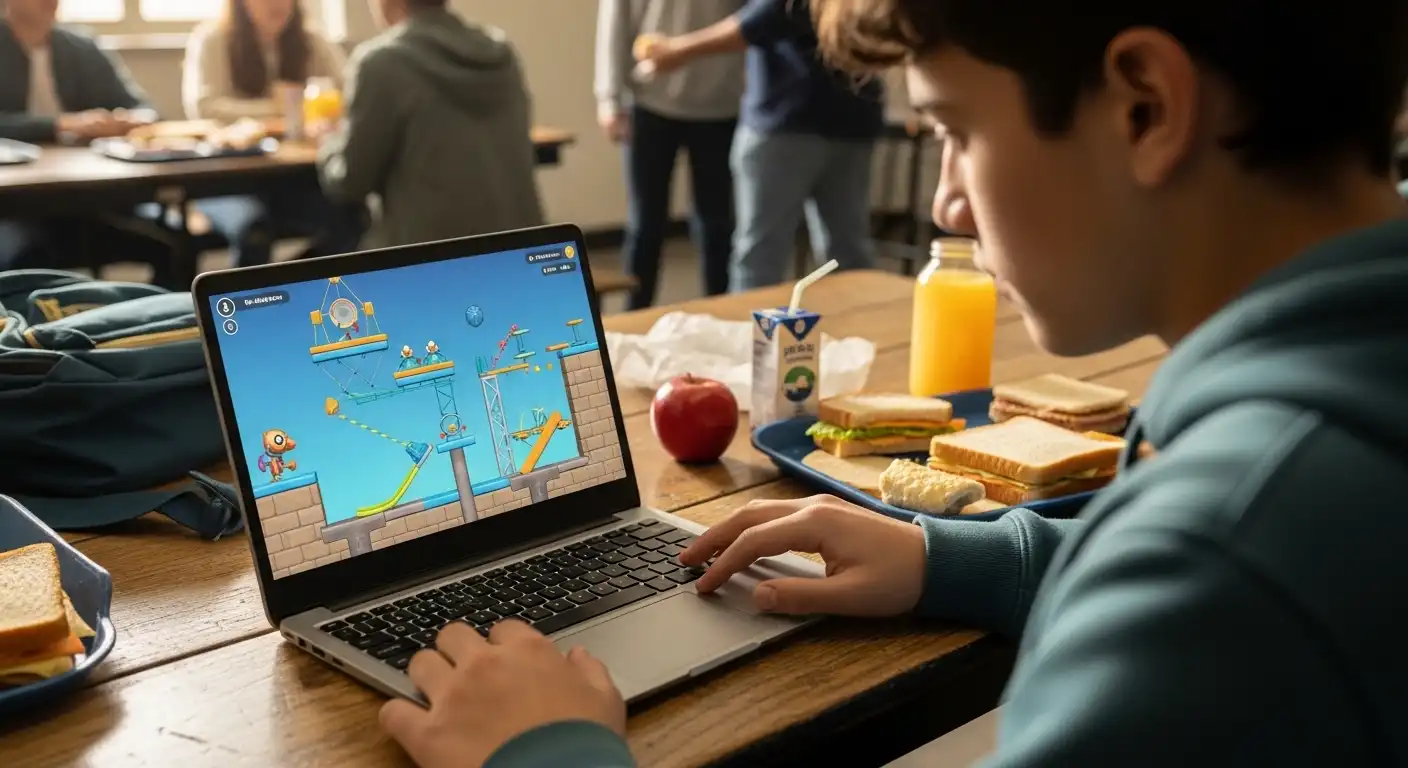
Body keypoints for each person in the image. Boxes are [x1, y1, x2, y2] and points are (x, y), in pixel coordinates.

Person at [375, 0, 1408, 766]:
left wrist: (551, 756)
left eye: (956, 130)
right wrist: (955, 559)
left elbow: (1217, 583)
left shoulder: (1222, 560)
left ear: (1145, 106)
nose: (949, 203)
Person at [634, 0, 883, 292]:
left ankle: (752, 336)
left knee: (762, 258)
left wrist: (678, 50)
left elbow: (768, 16)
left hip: (790, 122)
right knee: (846, 254)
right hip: (847, 119)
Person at [315, 0, 544, 250]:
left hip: (428, 262)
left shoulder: (382, 63)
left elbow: (350, 182)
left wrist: (327, 143)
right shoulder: (501, 54)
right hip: (522, 253)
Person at [182, 0, 365, 267]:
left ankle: (291, 285)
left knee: (353, 217)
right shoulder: (213, 39)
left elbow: (349, 94)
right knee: (253, 230)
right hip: (228, 179)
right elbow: (204, 106)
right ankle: (250, 304)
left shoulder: (311, 40)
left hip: (291, 178)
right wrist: (284, 108)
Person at [0, 0, 176, 276]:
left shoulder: (79, 46)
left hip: (87, 201)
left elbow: (146, 110)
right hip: (15, 209)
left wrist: (124, 121)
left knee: (171, 248)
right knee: (25, 259)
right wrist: (62, 124)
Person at [593, 0, 745, 309]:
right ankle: (634, 317)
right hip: (650, 106)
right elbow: (615, 22)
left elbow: (754, 19)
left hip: (723, 107)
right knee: (645, 225)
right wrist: (609, 99)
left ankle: (721, 314)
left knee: (716, 224)